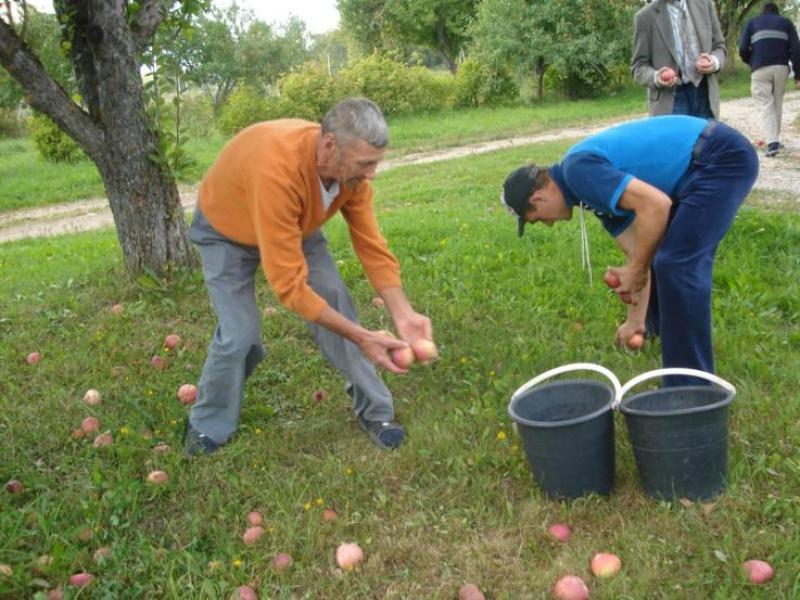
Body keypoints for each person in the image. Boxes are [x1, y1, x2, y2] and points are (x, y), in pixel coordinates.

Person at [185, 97, 433, 455]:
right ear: (330, 145)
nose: (371, 174)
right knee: (239, 334)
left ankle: (376, 412)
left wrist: (403, 314)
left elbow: (371, 246)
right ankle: (207, 424)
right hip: (226, 233)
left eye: (376, 163)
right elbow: (290, 288)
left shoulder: (352, 176)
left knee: (334, 298)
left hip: (293, 226)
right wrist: (361, 336)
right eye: (365, 164)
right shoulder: (277, 169)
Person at [499, 116, 758, 386]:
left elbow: (656, 206)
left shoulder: (578, 171)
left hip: (718, 158)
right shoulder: (587, 192)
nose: (548, 224)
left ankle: (690, 388)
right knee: (658, 256)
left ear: (537, 198)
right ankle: (652, 330)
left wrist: (637, 269)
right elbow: (638, 253)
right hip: (699, 167)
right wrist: (635, 320)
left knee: (677, 264)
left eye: (538, 219)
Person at [632, 0, 726, 119]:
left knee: (707, 138)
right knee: (676, 138)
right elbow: (638, 67)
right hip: (670, 102)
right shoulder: (644, 17)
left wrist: (714, 62)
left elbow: (719, 47)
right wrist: (657, 77)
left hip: (705, 95)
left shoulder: (705, 4)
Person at [738, 2, 800, 157]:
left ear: (762, 12)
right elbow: (797, 49)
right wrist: (798, 75)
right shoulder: (786, 23)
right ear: (777, 13)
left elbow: (743, 48)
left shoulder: (753, 23)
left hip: (760, 68)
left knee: (765, 103)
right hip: (781, 68)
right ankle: (775, 139)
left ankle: (772, 143)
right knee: (777, 102)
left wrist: (751, 62)